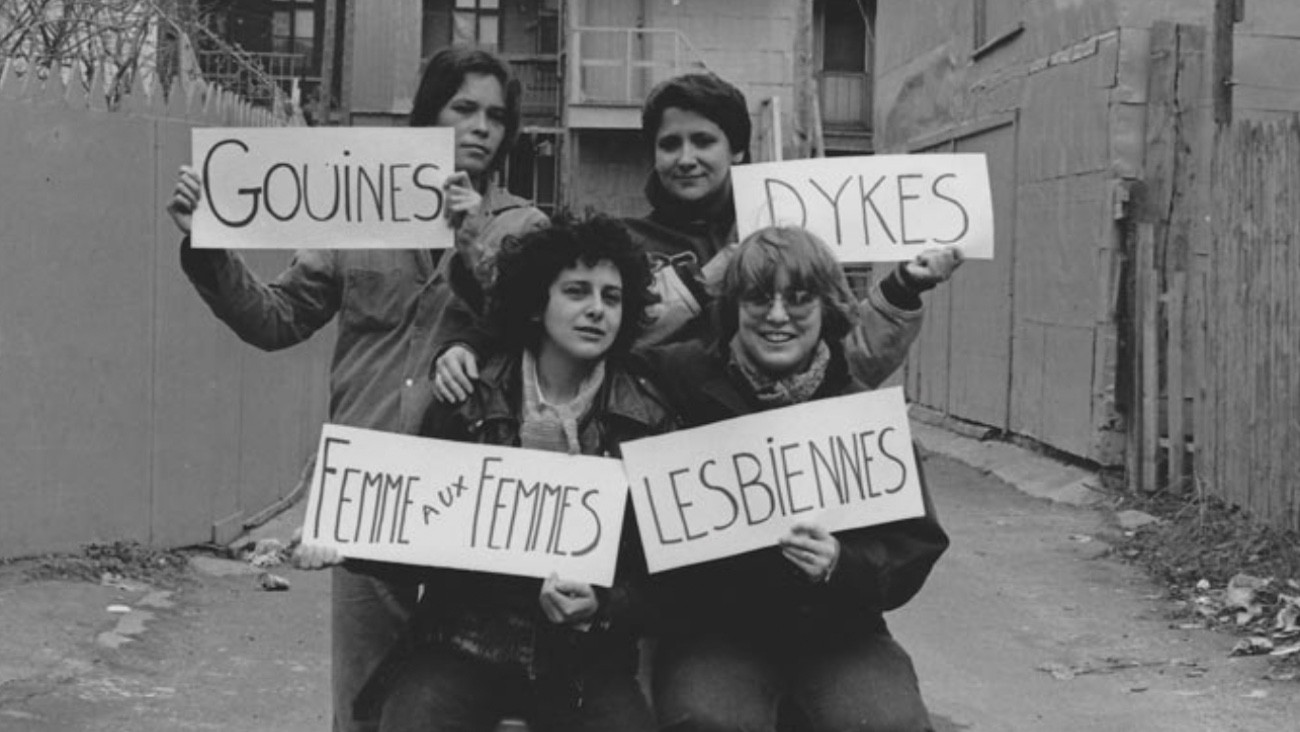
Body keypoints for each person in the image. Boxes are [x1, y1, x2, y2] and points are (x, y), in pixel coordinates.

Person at [165, 46, 547, 732]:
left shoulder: (524, 227)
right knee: (365, 703)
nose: (481, 126)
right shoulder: (359, 211)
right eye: (464, 108)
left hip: (474, 496)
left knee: (463, 702)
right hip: (370, 492)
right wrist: (208, 248)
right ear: (428, 114)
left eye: (496, 115)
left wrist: (471, 238)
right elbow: (278, 320)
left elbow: (528, 322)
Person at [429, 71, 962, 404]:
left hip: (774, 458)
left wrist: (902, 291)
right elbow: (566, 328)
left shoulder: (788, 243)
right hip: (662, 461)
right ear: (653, 154)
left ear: (736, 150)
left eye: (703, 141)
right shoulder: (622, 245)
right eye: (670, 144)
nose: (685, 158)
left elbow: (851, 357)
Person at [358, 215, 675, 732]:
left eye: (612, 297)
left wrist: (603, 603)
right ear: (537, 303)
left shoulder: (646, 415)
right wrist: (346, 543)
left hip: (586, 659)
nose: (596, 309)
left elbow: (663, 575)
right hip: (462, 644)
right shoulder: (468, 396)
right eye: (576, 291)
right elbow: (415, 544)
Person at [640, 226, 950, 732]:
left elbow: (914, 542)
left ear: (826, 309)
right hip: (715, 632)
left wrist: (841, 564)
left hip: (839, 632)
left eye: (799, 299)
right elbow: (603, 336)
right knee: (706, 720)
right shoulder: (681, 377)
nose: (778, 315)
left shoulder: (857, 410)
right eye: (759, 298)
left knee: (888, 723)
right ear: (734, 306)